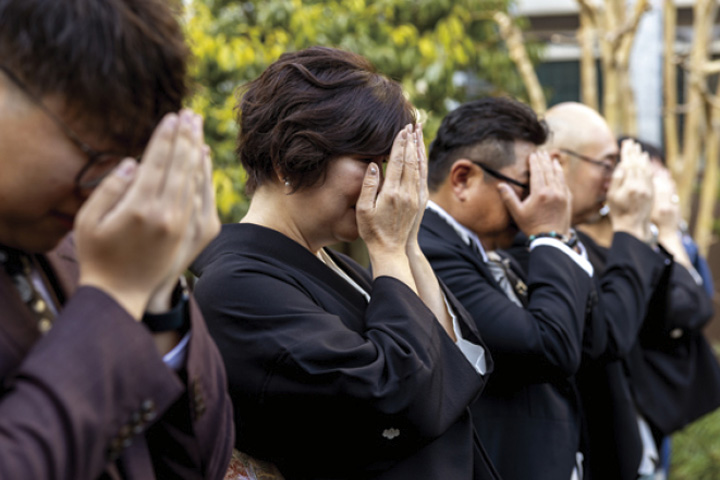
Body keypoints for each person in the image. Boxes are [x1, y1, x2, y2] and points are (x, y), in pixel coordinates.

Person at [192, 46, 500, 480]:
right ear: (289, 159)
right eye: (369, 162)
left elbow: (457, 369)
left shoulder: (332, 263)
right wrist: (390, 250)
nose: (390, 183)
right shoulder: (235, 287)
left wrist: (407, 243)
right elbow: (399, 395)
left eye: (390, 164)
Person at [0, 1, 233, 478]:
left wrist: (158, 294)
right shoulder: (107, 270)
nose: (106, 191)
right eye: (95, 154)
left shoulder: (82, 245)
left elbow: (199, 465)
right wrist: (113, 296)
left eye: (129, 161)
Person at [509, 102, 713, 480]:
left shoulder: (592, 242)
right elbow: (608, 336)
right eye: (607, 164)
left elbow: (692, 309)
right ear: (557, 161)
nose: (614, 179)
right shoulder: (530, 247)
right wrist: (633, 228)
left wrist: (662, 231)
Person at [418, 97, 593, 480]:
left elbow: (593, 335)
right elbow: (549, 347)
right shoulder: (425, 251)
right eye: (528, 185)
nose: (540, 199)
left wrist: (554, 237)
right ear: (463, 179)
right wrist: (549, 234)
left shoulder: (495, 245)